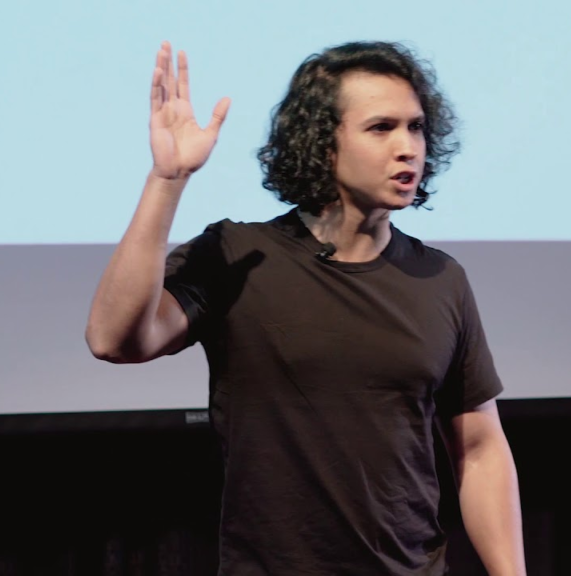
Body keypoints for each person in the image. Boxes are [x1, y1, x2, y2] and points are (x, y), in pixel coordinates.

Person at [86, 39, 525, 576]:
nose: (409, 146)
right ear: (323, 143)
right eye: (381, 128)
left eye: (416, 127)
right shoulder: (237, 255)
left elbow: (478, 447)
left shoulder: (440, 278)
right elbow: (115, 340)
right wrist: (168, 180)